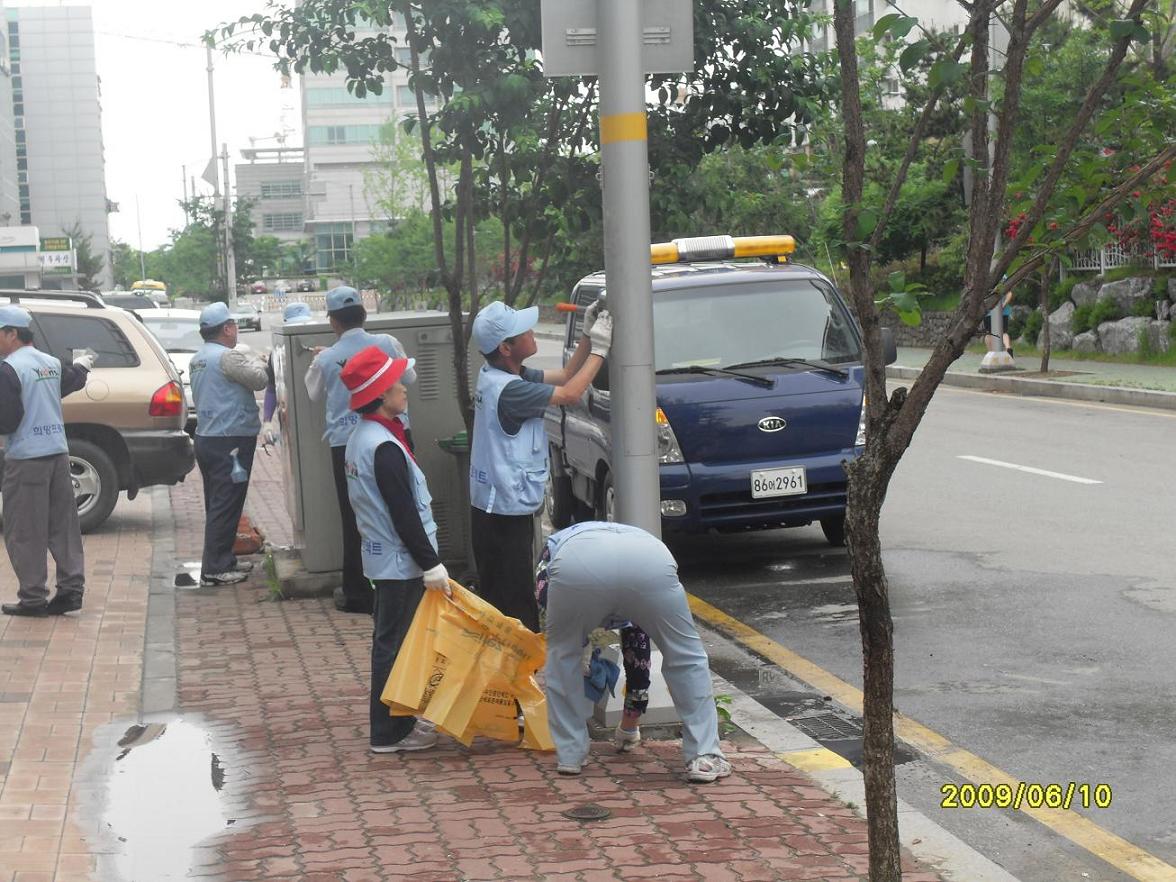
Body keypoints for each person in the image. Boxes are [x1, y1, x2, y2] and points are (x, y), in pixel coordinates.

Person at [538, 521, 731, 783]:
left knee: (562, 654)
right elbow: (637, 651)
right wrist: (630, 721)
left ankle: (570, 754)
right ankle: (704, 756)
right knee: (686, 654)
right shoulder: (633, 538)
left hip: (576, 563)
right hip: (649, 559)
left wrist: (577, 643)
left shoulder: (552, 551)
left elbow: (552, 614)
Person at [469, 299, 612, 631]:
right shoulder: (511, 391)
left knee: (506, 602)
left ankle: (510, 674)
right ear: (506, 347)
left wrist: (588, 337)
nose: (532, 332)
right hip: (502, 515)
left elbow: (564, 375)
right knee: (515, 606)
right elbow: (571, 394)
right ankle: (518, 677)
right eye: (524, 331)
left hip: (495, 506)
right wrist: (601, 350)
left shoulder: (500, 374)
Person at [340, 345, 450, 753]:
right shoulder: (381, 446)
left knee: (394, 643)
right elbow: (403, 512)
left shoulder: (366, 437)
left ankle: (396, 723)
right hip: (399, 562)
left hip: (386, 557)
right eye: (396, 383)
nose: (404, 388)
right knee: (393, 646)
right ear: (382, 395)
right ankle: (389, 731)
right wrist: (431, 563)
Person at [305, 286, 416, 615]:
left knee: (356, 514)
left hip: (347, 444)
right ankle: (408, 582)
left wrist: (322, 359)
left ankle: (357, 592)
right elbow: (408, 374)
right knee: (402, 507)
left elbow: (312, 394)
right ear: (364, 314)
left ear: (333, 321)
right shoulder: (387, 343)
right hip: (393, 437)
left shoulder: (325, 358)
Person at [0, 305, 93, 617]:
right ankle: (71, 590)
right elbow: (71, 381)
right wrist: (83, 366)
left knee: (24, 530)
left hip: (26, 459)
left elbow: (8, 421)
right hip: (57, 453)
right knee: (62, 527)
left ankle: (33, 598)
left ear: (11, 334)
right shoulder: (50, 363)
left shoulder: (9, 368)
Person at [536, 548, 650, 752]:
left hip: (617, 571)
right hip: (566, 572)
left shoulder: (635, 585)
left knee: (637, 643)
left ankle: (622, 728)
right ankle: (574, 741)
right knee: (569, 654)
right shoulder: (554, 585)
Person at [189, 302, 268, 587]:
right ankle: (215, 568)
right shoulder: (229, 358)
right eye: (233, 325)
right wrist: (260, 360)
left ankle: (224, 559)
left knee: (218, 503)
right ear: (226, 328)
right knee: (226, 504)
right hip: (230, 440)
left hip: (208, 437)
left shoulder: (198, 358)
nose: (236, 330)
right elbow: (259, 380)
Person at [263, 301, 315, 429]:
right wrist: (267, 421)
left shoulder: (323, 346)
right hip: (291, 415)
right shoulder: (277, 351)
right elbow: (271, 387)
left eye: (303, 324)